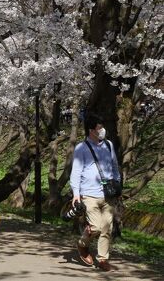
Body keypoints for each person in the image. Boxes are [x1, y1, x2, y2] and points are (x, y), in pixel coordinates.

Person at [70, 113, 121, 272]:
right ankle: (82, 244)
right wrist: (76, 194)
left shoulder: (109, 145)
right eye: (100, 128)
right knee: (97, 227)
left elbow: (114, 166)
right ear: (92, 130)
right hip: (89, 194)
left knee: (107, 227)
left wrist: (117, 184)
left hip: (107, 194)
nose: (103, 130)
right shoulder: (81, 148)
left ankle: (103, 259)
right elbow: (76, 172)